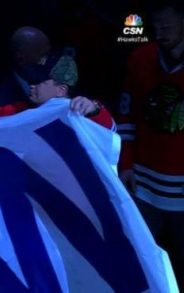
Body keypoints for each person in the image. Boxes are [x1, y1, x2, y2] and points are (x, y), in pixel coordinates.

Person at [117, 1, 184, 289]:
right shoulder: (140, 58)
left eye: (167, 25)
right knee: (144, 259)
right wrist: (126, 163)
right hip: (146, 182)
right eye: (156, 26)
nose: (161, 32)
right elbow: (127, 116)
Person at [0, 26, 52, 107]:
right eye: (41, 55)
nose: (45, 61)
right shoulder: (1, 100)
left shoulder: (51, 87)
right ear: (20, 58)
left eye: (48, 54)